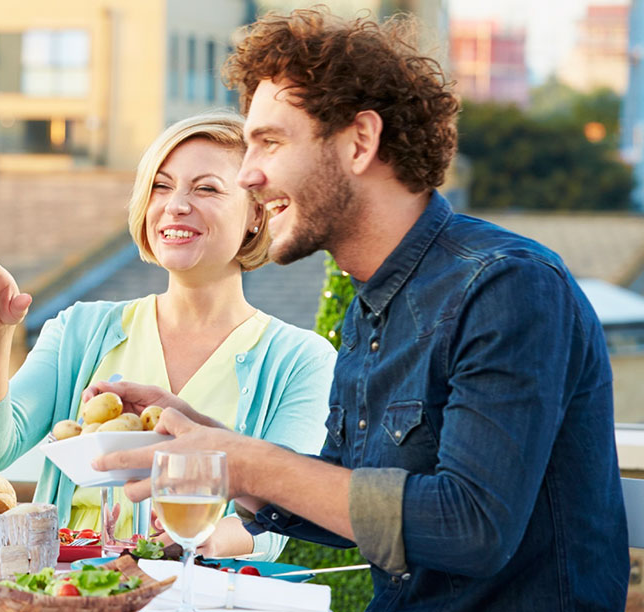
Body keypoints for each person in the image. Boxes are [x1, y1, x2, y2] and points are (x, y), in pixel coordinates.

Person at [92, 9, 628, 611]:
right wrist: (215, 447)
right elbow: (350, 497)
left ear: (359, 142)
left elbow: (472, 527)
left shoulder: (507, 287)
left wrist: (248, 462)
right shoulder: (371, 304)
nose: (248, 175)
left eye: (269, 141)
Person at [0, 110, 335, 561]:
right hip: (72, 590)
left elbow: (280, 519)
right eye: (160, 186)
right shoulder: (83, 329)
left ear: (256, 214)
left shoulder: (301, 360)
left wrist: (204, 539)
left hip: (200, 590)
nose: (175, 205)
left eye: (206, 188)